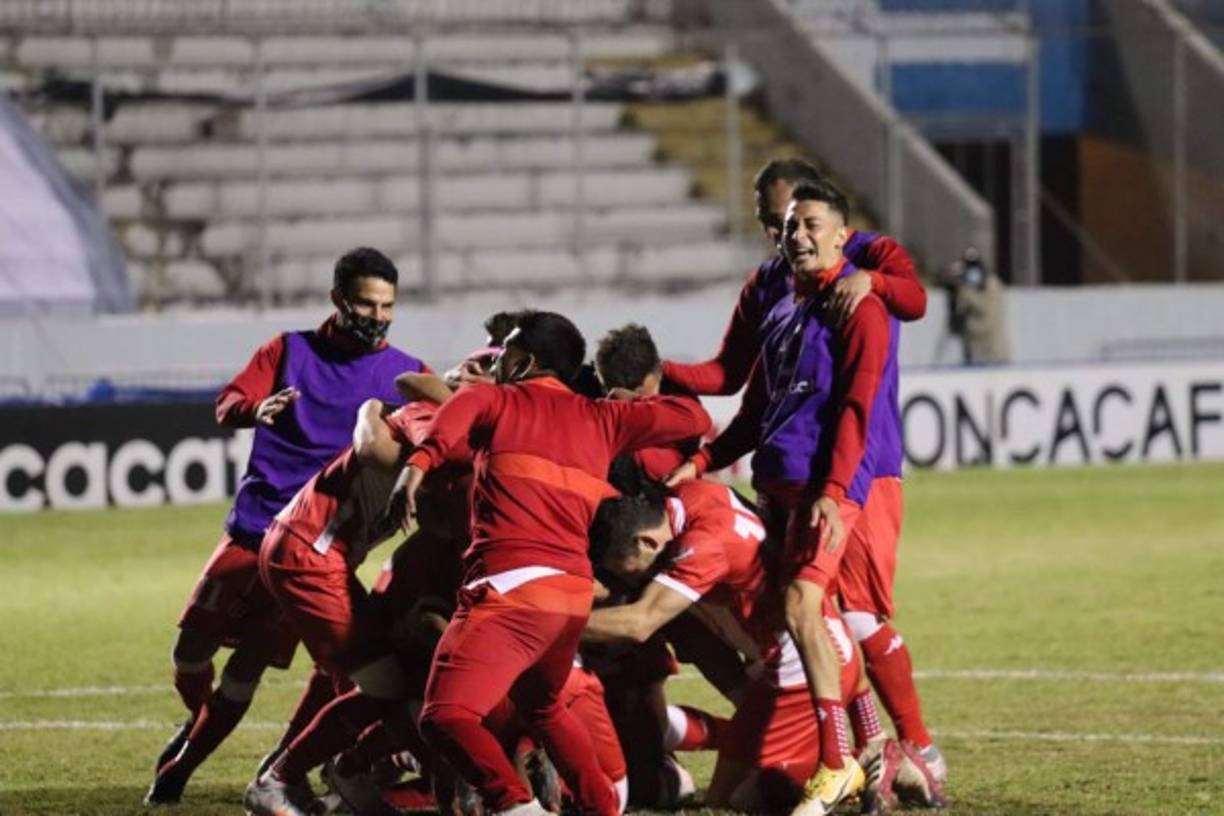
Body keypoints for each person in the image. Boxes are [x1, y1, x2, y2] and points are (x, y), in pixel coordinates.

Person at [398, 311, 712, 816]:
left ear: (523, 361)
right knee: (541, 705)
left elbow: (446, 420)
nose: (499, 363)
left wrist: (416, 468)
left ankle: (516, 807)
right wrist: (626, 399)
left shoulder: (494, 397)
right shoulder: (603, 418)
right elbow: (694, 419)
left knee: (444, 715)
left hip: (510, 590)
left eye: (507, 355)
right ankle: (601, 805)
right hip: (568, 600)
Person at [146, 247, 427, 805]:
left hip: (312, 547)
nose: (377, 317)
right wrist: (256, 410)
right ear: (338, 300)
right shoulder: (288, 349)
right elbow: (228, 403)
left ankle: (179, 771)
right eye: (366, 304)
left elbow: (434, 430)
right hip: (251, 531)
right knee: (190, 654)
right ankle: (196, 723)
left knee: (247, 666)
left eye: (387, 306)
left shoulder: (406, 373)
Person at [584, 482, 871, 812]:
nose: (627, 581)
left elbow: (639, 623)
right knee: (685, 626)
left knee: (738, 802)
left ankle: (850, 767)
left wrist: (552, 623)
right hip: (793, 657)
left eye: (625, 571)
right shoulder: (692, 497)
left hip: (798, 674)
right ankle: (811, 757)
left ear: (647, 541)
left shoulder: (704, 544)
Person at [662, 157, 926, 396]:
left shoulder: (872, 252)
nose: (774, 233)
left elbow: (915, 302)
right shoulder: (765, 281)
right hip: (801, 444)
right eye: (766, 222)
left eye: (782, 220)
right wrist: (659, 371)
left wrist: (872, 280)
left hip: (865, 445)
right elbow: (728, 375)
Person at [937, 246, 1010, 365]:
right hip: (973, 351)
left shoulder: (991, 284)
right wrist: (953, 298)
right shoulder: (966, 287)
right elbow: (957, 327)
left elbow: (986, 311)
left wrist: (964, 291)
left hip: (993, 352)